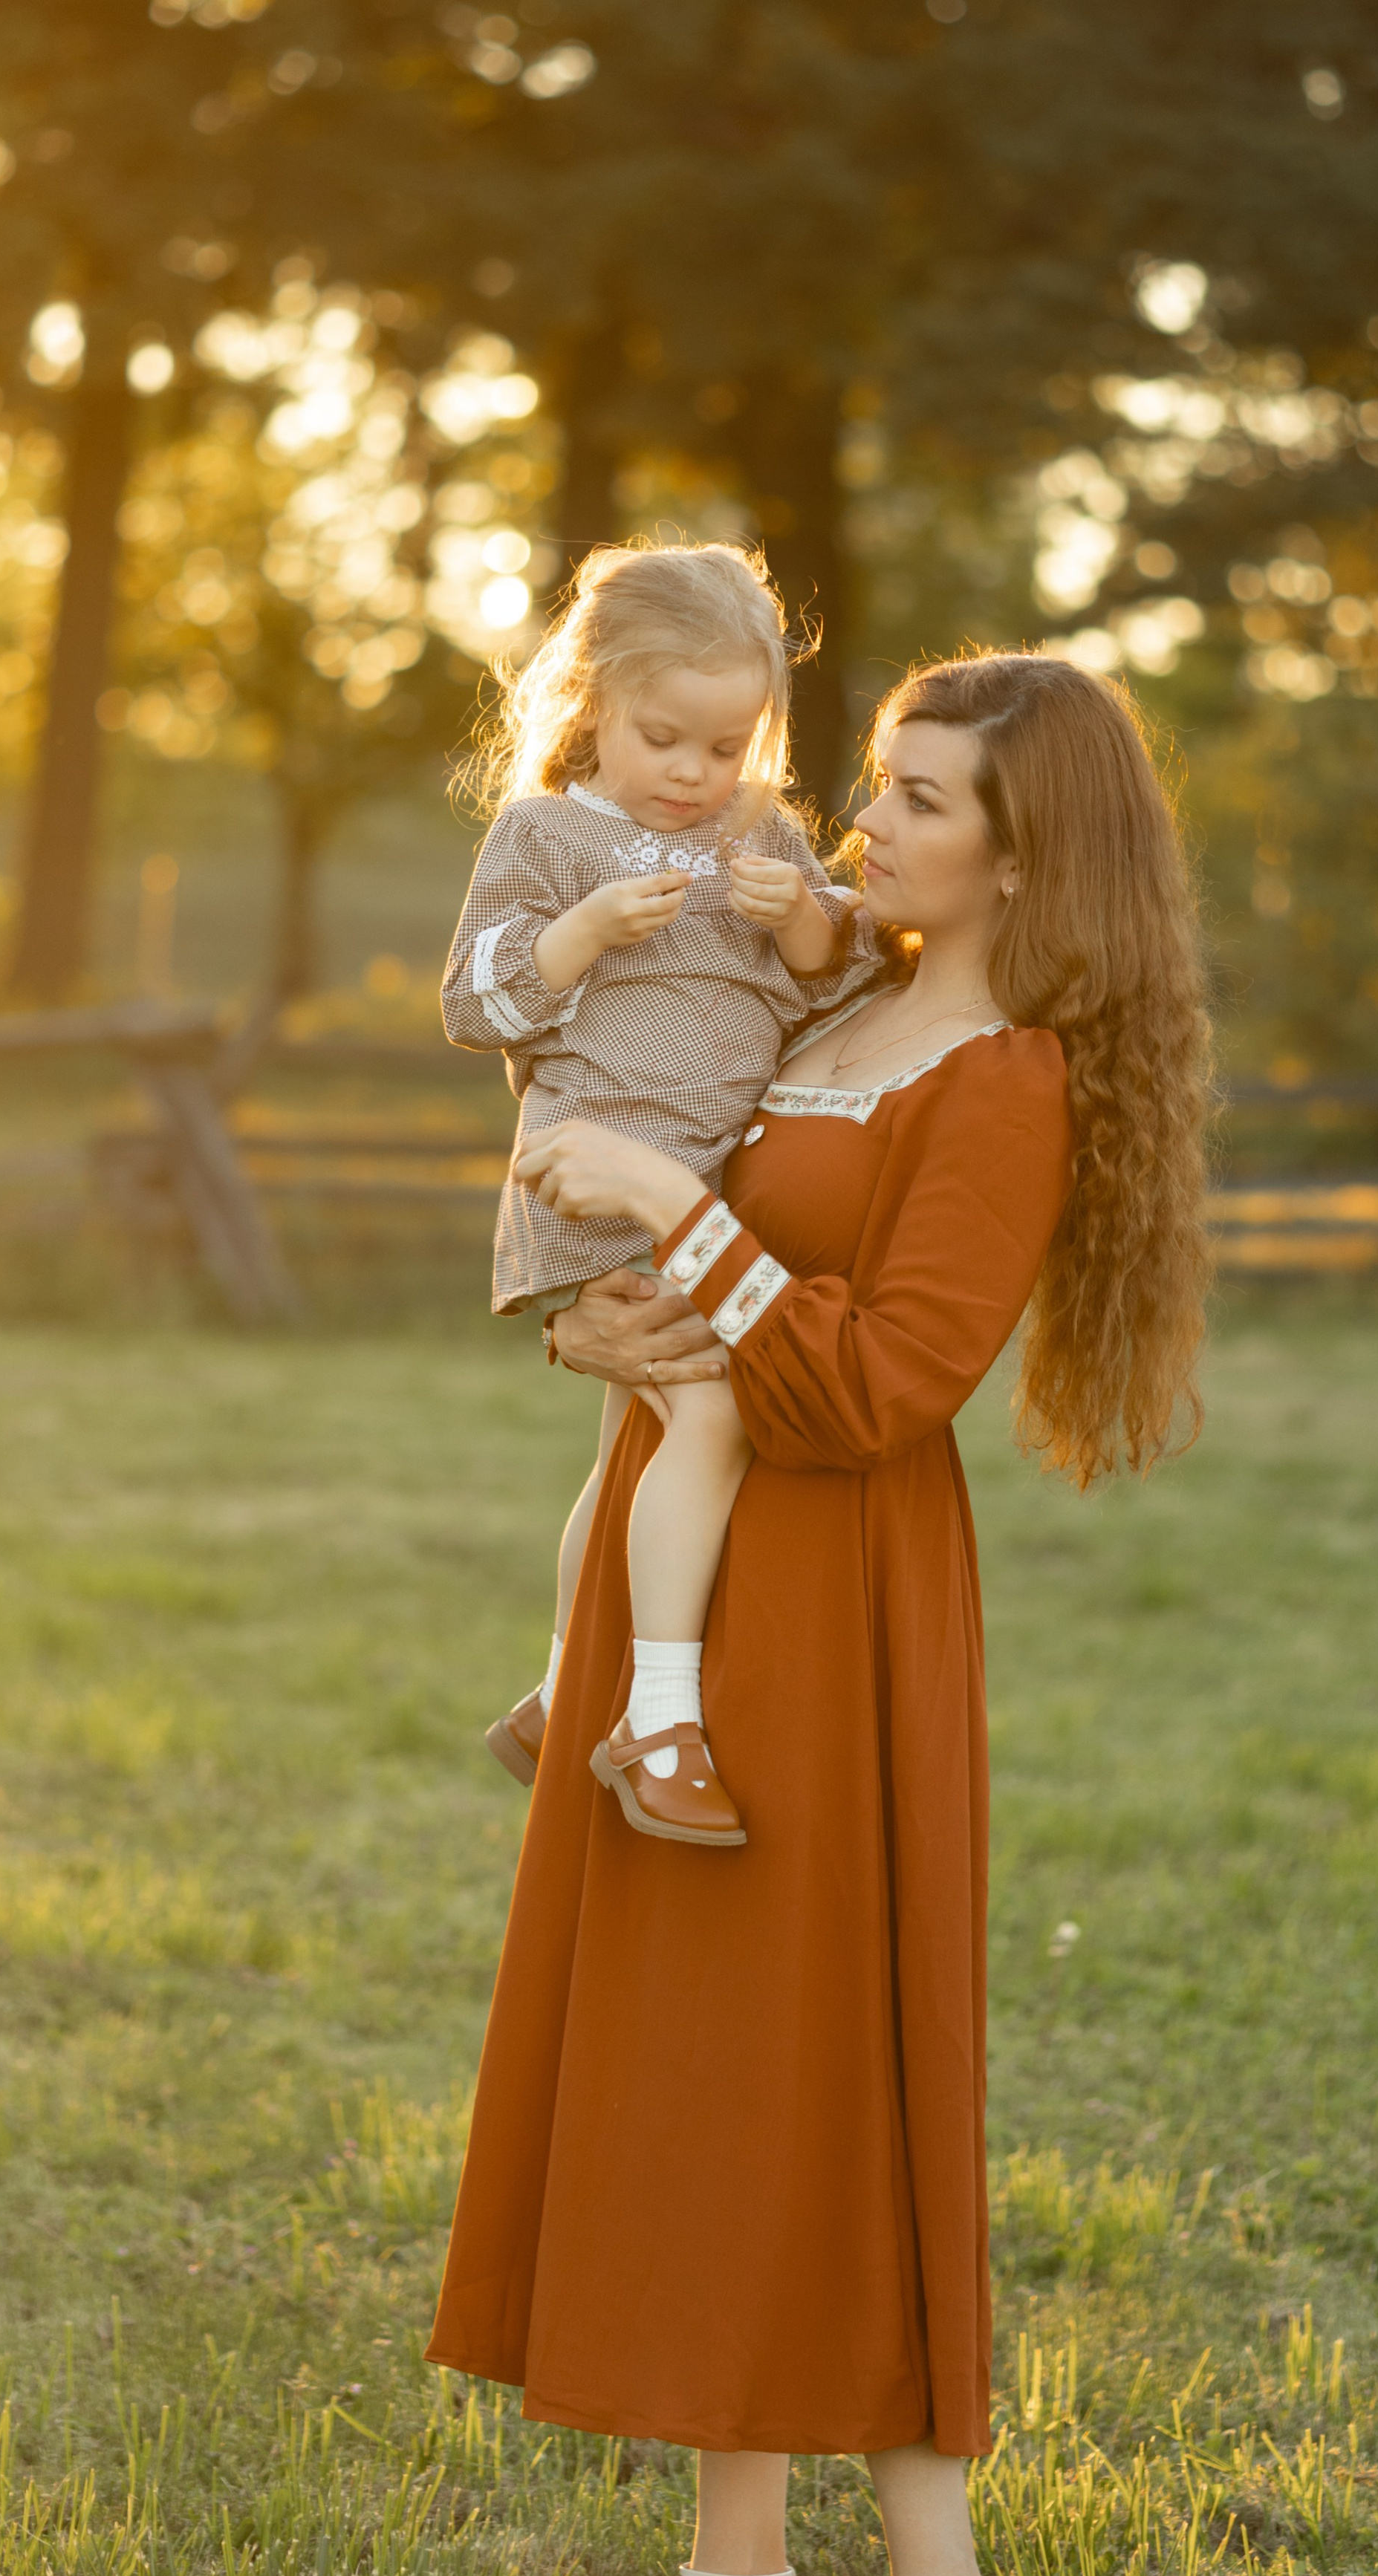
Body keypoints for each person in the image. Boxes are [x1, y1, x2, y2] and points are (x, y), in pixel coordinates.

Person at [429, 650, 1212, 2576]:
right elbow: (632, 1179)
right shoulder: (830, 1005)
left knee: (840, 2056)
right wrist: (592, 1309)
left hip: (836, 1592)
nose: (869, 822)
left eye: (924, 799)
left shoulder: (1002, 1083)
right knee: (707, 2053)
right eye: (879, 780)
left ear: (1034, 861)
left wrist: (679, 1216)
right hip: (686, 1574)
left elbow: (875, 1388)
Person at [442, 541, 879, 1845]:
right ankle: (660, 1712)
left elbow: (830, 995)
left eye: (726, 745)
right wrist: (578, 938)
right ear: (591, 704)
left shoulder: (766, 836)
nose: (695, 774)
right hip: (593, 1175)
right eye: (663, 737)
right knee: (709, 1407)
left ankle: (565, 1682)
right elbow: (474, 1005)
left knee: (633, 1442)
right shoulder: (546, 836)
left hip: (706, 1190)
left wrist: (802, 918)